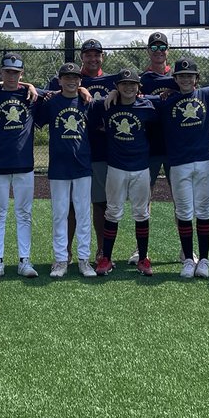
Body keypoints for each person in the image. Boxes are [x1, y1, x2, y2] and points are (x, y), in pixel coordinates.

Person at [47, 37, 120, 264]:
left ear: (102, 56)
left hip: (100, 150)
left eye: (96, 54)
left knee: (100, 204)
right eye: (88, 54)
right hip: (71, 151)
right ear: (81, 58)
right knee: (69, 206)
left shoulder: (112, 80)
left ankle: (100, 251)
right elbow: (47, 94)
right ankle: (66, 252)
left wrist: (116, 92)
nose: (93, 58)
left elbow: (133, 91)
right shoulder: (69, 81)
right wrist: (79, 87)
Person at [154, 58, 209, 278]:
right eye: (181, 76)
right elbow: (137, 98)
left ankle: (203, 259)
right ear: (175, 79)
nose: (186, 79)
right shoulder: (167, 101)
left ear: (196, 78)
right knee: (184, 212)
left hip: (203, 162)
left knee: (204, 211)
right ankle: (187, 259)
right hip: (179, 164)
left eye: (189, 75)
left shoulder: (207, 94)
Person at [93, 69, 163, 276]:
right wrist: (109, 95)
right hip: (116, 167)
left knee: (141, 213)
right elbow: (85, 99)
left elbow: (165, 98)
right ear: (117, 87)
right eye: (124, 84)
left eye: (133, 84)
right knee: (113, 212)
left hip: (141, 168)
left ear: (139, 86)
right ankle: (106, 258)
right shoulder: (107, 105)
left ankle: (143, 258)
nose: (129, 87)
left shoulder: (147, 106)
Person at [34, 62, 99, 278]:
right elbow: (37, 112)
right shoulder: (52, 102)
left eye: (75, 78)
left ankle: (84, 259)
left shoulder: (86, 101)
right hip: (59, 167)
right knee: (59, 215)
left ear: (81, 81)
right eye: (67, 77)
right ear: (59, 80)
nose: (71, 81)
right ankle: (60, 259)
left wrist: (84, 91)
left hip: (82, 165)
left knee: (83, 214)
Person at [0, 53, 40, 279]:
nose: (11, 76)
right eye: (7, 72)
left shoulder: (31, 95)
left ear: (21, 74)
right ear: (1, 73)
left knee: (24, 214)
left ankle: (24, 261)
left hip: (24, 164)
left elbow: (60, 92)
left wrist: (30, 85)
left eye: (16, 73)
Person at [135, 31, 177, 265]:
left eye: (162, 47)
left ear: (167, 51)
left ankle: (185, 248)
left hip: (175, 147)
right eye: (154, 47)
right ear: (148, 51)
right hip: (148, 146)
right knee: (143, 200)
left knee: (181, 200)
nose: (159, 51)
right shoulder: (141, 79)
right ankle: (141, 250)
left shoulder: (178, 76)